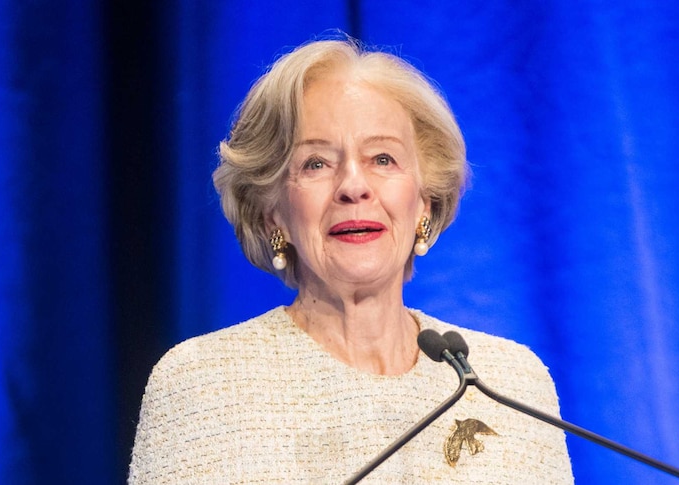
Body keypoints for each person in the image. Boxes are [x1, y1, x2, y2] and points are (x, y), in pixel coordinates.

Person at [128, 36, 573, 484]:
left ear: (425, 202)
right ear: (272, 212)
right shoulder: (203, 385)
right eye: (316, 163)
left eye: (383, 158)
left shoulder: (510, 381)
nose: (353, 186)